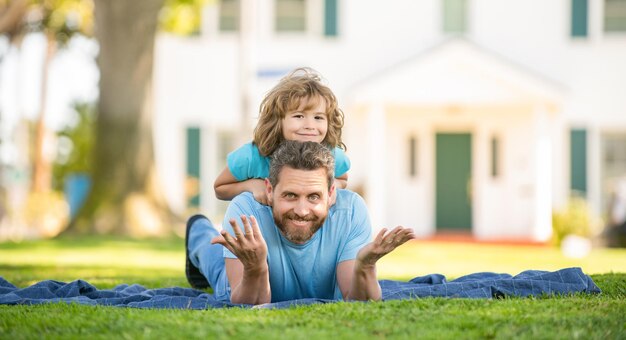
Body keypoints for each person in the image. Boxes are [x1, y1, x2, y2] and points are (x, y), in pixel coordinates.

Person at [186, 141, 415, 304]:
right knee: (212, 255)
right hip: (243, 279)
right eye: (290, 196)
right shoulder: (245, 210)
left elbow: (355, 300)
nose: (302, 210)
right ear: (269, 190)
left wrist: (365, 267)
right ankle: (198, 227)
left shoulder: (351, 211)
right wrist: (255, 267)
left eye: (314, 197)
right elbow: (250, 304)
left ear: (332, 193)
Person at [214, 67, 350, 205]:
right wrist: (251, 185)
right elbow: (220, 188)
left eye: (318, 117)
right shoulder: (252, 156)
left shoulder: (331, 155)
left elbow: (343, 180)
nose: (310, 125)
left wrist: (332, 188)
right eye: (299, 116)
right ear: (278, 120)